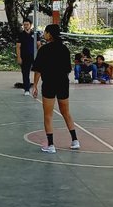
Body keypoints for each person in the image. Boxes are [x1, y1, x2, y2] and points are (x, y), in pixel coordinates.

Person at [31, 24, 80, 153]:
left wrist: (35, 85)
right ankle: (75, 140)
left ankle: (51, 145)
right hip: (63, 83)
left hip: (49, 84)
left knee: (48, 115)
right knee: (66, 112)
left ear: (49, 34)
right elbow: (68, 69)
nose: (44, 34)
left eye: (45, 32)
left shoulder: (44, 49)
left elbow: (38, 70)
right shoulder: (64, 49)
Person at [16, 19, 40, 96]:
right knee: (25, 73)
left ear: (31, 25)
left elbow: (39, 45)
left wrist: (40, 56)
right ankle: (26, 89)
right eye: (24, 24)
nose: (26, 26)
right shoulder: (21, 34)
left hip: (34, 57)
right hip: (24, 57)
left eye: (27, 24)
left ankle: (35, 86)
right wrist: (19, 57)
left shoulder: (35, 34)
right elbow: (18, 47)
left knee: (38, 71)